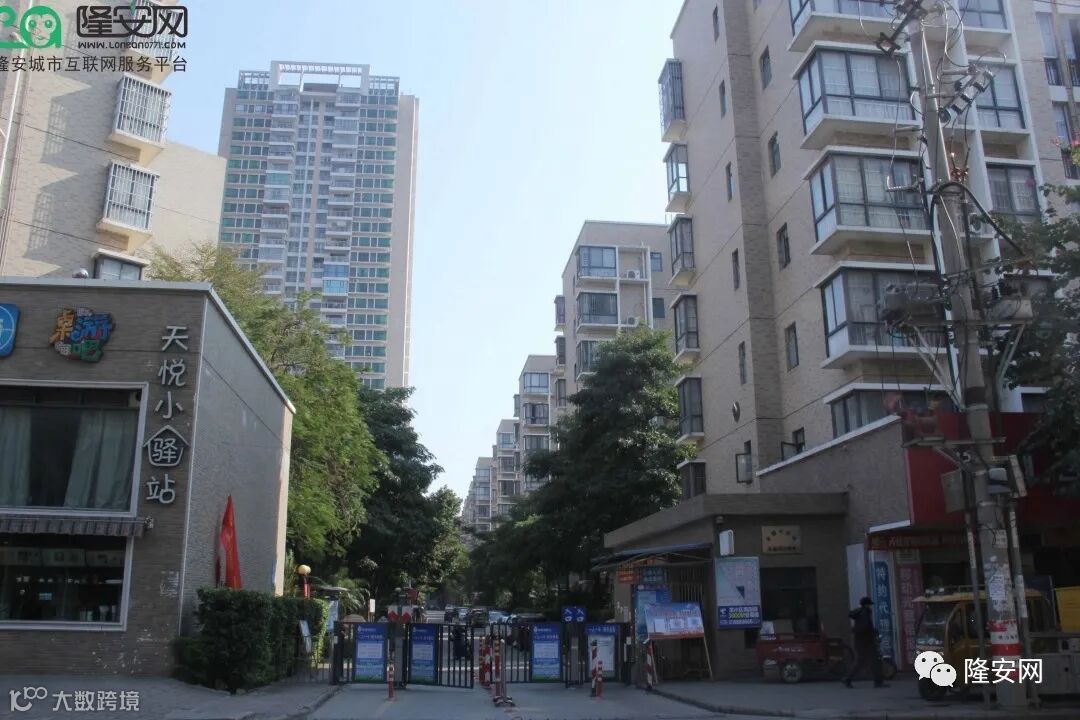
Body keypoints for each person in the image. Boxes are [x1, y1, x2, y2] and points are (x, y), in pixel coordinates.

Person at [843, 596, 886, 688]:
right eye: (869, 604)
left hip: (860, 642)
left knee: (861, 662)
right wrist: (873, 632)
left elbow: (861, 627)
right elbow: (864, 627)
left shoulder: (860, 613)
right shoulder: (864, 613)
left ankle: (847, 679)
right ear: (866, 605)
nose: (870, 606)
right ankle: (878, 682)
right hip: (866, 642)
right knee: (875, 661)